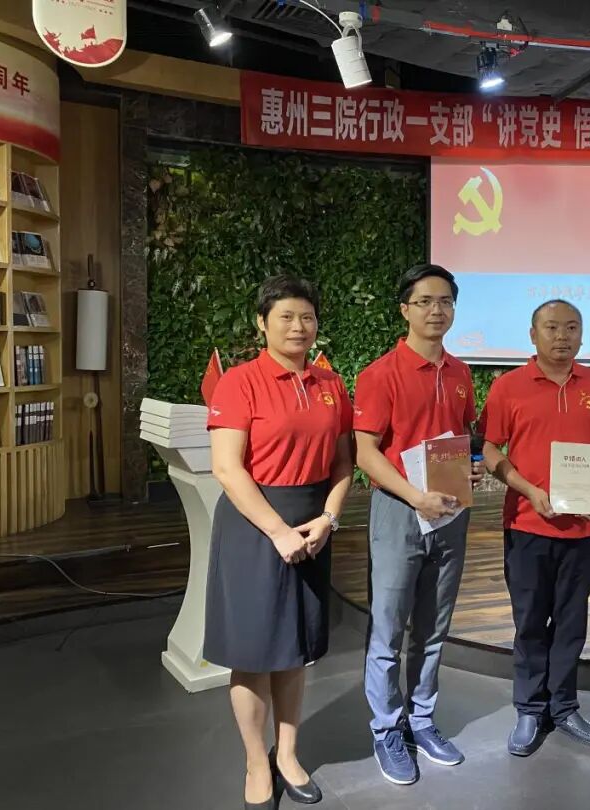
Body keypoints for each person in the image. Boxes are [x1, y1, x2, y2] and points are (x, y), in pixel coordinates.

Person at [205, 274, 354, 810]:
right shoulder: (240, 382)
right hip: (254, 526)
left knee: (294, 650)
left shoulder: (331, 383)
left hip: (312, 522)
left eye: (307, 316)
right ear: (262, 323)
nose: (298, 326)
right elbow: (227, 468)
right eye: (286, 316)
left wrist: (328, 518)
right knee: (252, 653)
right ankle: (255, 762)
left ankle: (287, 754)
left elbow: (344, 462)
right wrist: (277, 531)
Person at [354, 263, 480, 785]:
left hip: (450, 511)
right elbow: (365, 452)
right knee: (388, 628)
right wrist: (415, 498)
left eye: (445, 301)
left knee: (434, 625)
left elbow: (462, 437)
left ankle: (421, 721)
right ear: (404, 309)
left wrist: (470, 467)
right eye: (425, 301)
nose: (436, 310)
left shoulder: (461, 373)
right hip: (399, 512)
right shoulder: (379, 374)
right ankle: (387, 729)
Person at [482, 299, 590, 756]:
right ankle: (529, 708)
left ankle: (563, 706)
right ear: (533, 334)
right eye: (551, 327)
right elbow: (490, 450)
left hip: (582, 530)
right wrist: (528, 489)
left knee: (571, 621)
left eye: (571, 327)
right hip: (527, 524)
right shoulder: (509, 386)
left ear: (582, 335)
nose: (562, 336)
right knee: (529, 621)